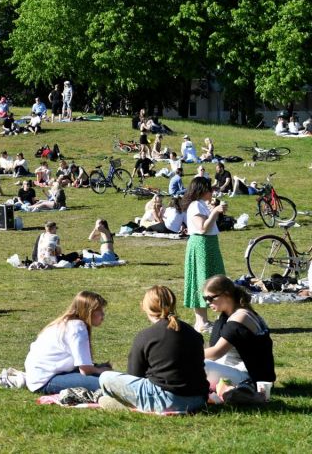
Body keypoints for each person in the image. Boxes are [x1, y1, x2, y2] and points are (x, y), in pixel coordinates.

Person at [98, 286, 208, 413]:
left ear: (145, 307)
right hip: (199, 399)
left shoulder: (146, 336)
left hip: (168, 401)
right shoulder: (192, 332)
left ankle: (128, 406)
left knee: (105, 377)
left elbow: (134, 375)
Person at [24, 291, 110, 394]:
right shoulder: (77, 328)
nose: (103, 314)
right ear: (89, 312)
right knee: (109, 384)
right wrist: (100, 370)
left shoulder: (69, 323)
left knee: (110, 377)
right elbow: (85, 370)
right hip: (45, 381)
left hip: (44, 374)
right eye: (99, 311)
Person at [203, 274, 276, 394]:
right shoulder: (231, 314)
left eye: (210, 298)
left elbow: (216, 352)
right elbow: (212, 348)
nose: (207, 302)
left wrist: (184, 355)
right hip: (238, 371)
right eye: (205, 298)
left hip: (250, 379)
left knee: (200, 365)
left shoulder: (240, 317)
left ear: (226, 294)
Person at [182, 177, 227, 331]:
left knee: (213, 279)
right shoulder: (195, 205)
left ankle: (206, 321)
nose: (212, 191)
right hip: (201, 245)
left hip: (208, 245)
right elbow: (202, 228)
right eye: (209, 189)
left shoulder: (201, 205)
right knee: (201, 280)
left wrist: (214, 210)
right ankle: (201, 322)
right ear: (202, 190)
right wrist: (215, 212)